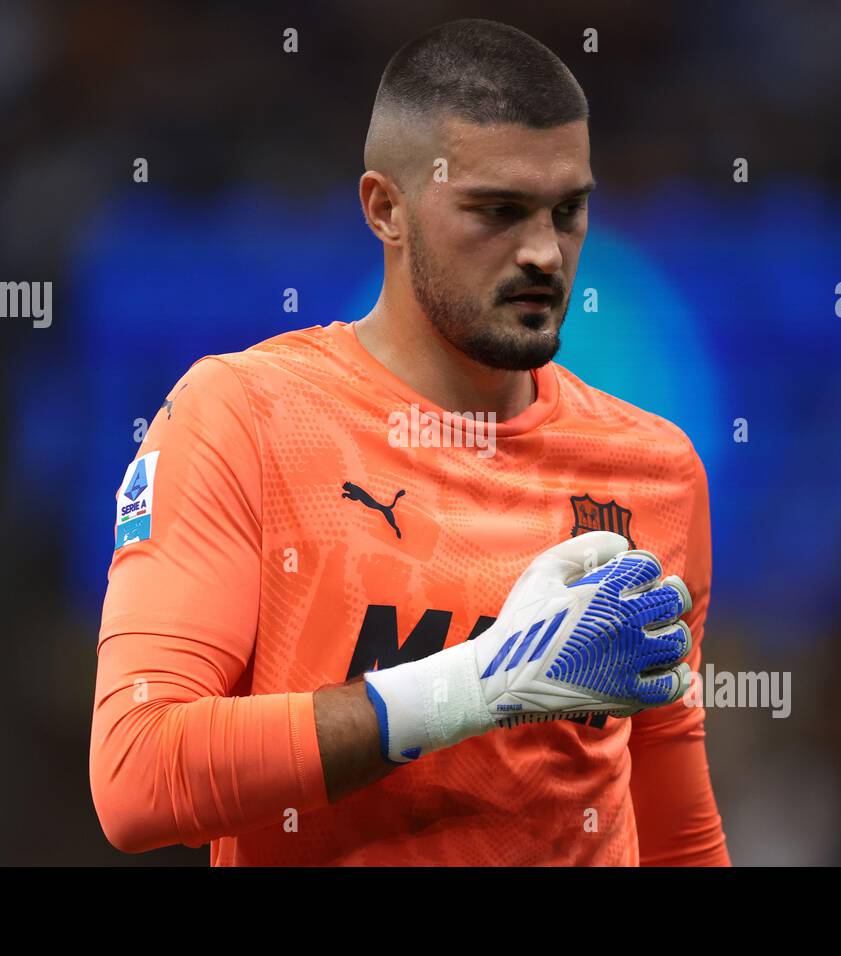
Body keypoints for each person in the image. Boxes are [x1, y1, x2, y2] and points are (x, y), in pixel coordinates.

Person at [90, 18, 729, 866]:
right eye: (497, 212)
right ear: (385, 208)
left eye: (568, 211)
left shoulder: (654, 470)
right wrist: (477, 686)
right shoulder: (245, 416)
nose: (545, 252)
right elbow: (137, 774)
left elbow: (676, 833)